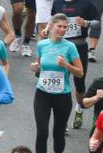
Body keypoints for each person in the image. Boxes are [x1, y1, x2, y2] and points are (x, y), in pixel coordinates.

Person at [48, 0, 99, 129]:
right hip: (60, 47)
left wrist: (87, 24)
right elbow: (53, 22)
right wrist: (46, 31)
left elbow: (97, 22)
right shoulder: (57, 3)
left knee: (79, 84)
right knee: (60, 83)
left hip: (79, 47)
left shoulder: (87, 3)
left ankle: (79, 108)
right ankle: (61, 120)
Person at [30, 13, 84, 153]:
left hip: (62, 96)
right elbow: (40, 67)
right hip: (42, 94)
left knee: (58, 134)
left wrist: (66, 65)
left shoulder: (70, 47)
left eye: (65, 27)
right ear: (52, 26)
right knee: (42, 132)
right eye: (59, 26)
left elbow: (80, 72)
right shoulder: (42, 45)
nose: (62, 29)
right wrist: (36, 67)